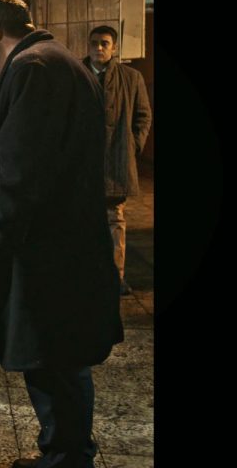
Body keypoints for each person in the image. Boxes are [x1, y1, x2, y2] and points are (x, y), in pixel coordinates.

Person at [0, 0, 124, 468]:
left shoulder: (34, 68)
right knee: (59, 364)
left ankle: (66, 459)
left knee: (52, 364)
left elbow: (21, 172)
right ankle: (63, 453)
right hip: (62, 251)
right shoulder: (58, 62)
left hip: (46, 259)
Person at [83, 25, 152, 296]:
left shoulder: (131, 78)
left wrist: (132, 146)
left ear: (114, 47)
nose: (99, 48)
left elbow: (143, 116)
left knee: (114, 220)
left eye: (104, 43)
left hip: (116, 162)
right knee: (83, 221)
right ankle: (87, 276)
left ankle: (115, 277)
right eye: (94, 43)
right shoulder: (76, 74)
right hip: (83, 165)